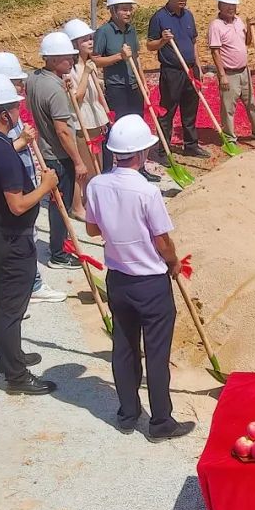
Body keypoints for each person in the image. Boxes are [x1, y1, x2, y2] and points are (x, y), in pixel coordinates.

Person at [84, 114, 196, 440]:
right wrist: (173, 262)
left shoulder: (97, 184)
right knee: (156, 354)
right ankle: (160, 422)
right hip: (150, 283)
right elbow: (162, 240)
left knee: (124, 347)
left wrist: (116, 228)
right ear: (141, 153)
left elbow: (92, 229)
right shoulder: (147, 191)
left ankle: (127, 413)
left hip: (118, 279)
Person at [0, 74, 60, 394]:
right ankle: (16, 376)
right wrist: (46, 186)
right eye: (15, 108)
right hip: (12, 238)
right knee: (12, 307)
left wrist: (20, 142)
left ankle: (8, 356)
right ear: (6, 114)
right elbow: (18, 205)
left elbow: (1, 157)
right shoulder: (5, 154)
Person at [0, 53, 66, 304]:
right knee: (24, 241)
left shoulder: (8, 113)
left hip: (21, 183)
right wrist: (22, 141)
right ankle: (28, 288)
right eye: (17, 82)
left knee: (29, 237)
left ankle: (27, 285)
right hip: (12, 192)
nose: (21, 87)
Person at [26, 32, 86, 270]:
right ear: (51, 60)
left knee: (55, 201)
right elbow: (63, 131)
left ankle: (59, 243)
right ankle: (58, 254)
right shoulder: (54, 90)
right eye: (66, 58)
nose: (71, 61)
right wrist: (78, 161)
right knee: (60, 204)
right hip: (59, 155)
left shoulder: (35, 79)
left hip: (46, 151)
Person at [92, 0, 159, 182]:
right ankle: (114, 169)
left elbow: (136, 58)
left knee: (136, 126)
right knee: (118, 128)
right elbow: (95, 60)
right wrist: (118, 56)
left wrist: (143, 82)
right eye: (123, 9)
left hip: (133, 85)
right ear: (113, 11)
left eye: (130, 9)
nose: (128, 13)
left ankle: (140, 167)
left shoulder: (131, 31)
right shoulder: (103, 32)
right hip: (116, 87)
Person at [147, 0, 208, 158]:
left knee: (190, 109)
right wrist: (163, 41)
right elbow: (150, 45)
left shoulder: (188, 16)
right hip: (172, 72)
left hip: (190, 69)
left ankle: (191, 145)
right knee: (167, 111)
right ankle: (163, 150)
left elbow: (193, 42)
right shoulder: (159, 17)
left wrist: (198, 66)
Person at [63, 18, 111, 218]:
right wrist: (87, 74)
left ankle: (89, 200)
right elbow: (77, 97)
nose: (90, 42)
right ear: (74, 44)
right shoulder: (70, 69)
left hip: (94, 119)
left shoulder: (87, 63)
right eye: (85, 40)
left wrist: (105, 113)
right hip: (81, 121)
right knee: (83, 167)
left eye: (90, 38)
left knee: (96, 164)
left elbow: (95, 92)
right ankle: (77, 206)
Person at [208, 0, 255, 141]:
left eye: (233, 5)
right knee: (228, 108)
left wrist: (249, 28)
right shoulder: (216, 26)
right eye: (227, 5)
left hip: (244, 71)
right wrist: (222, 76)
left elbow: (247, 42)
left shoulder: (239, 21)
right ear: (219, 5)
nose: (231, 8)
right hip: (229, 73)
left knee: (251, 103)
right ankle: (230, 137)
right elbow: (215, 52)